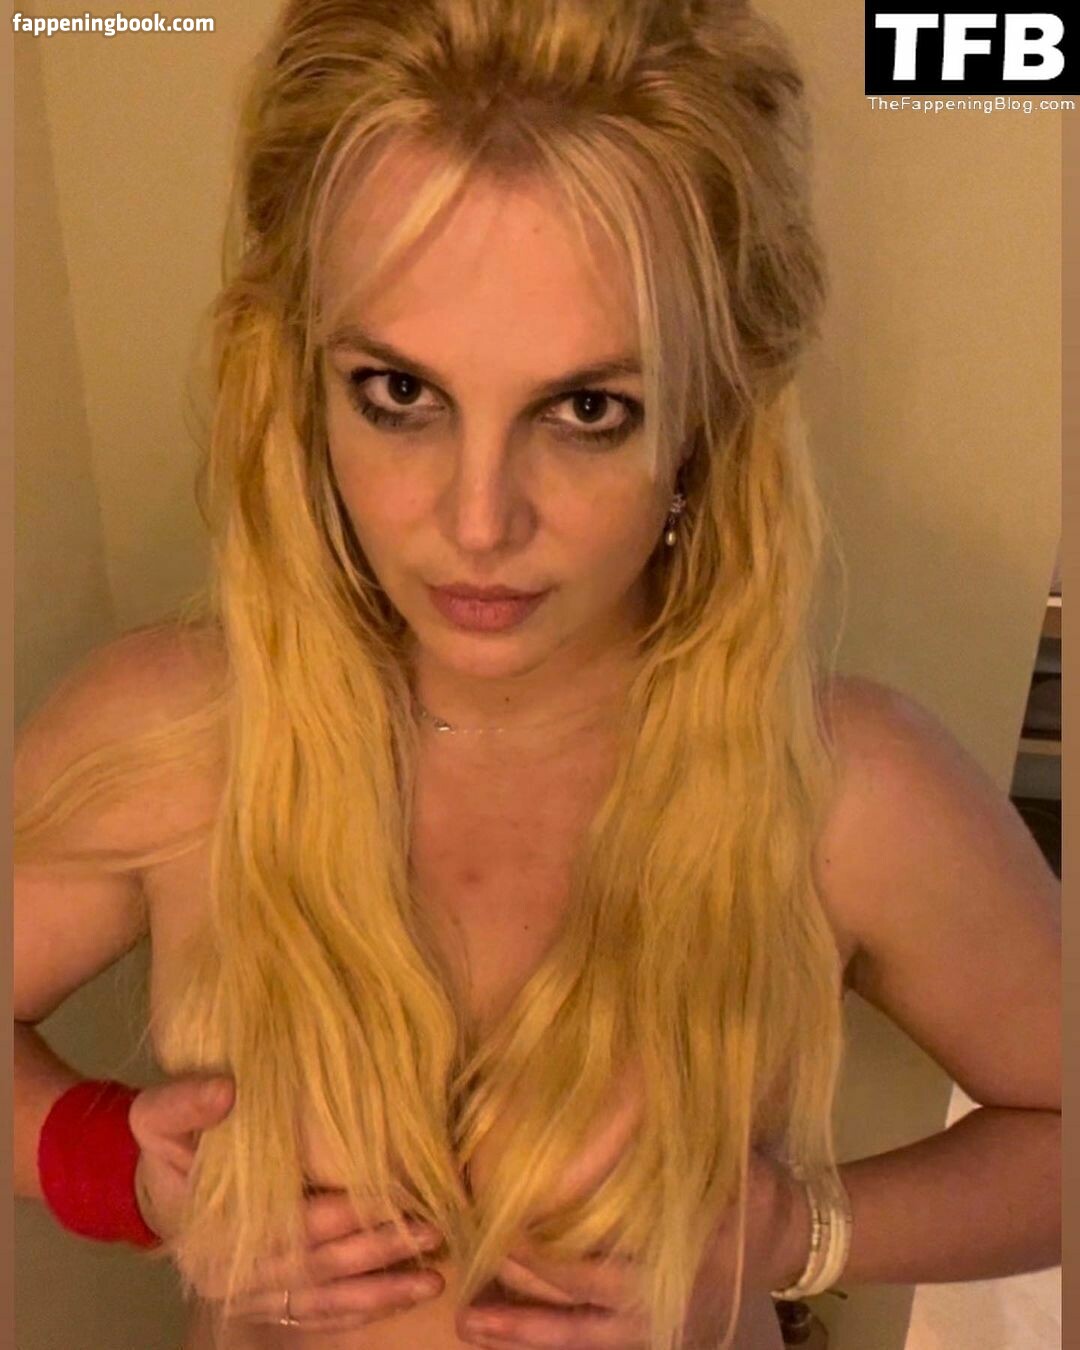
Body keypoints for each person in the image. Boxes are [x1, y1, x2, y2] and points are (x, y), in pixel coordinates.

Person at [13, 1, 1061, 1348]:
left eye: (585, 410)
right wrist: (114, 1166)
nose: (479, 520)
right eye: (401, 394)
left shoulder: (841, 790)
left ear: (703, 422)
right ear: (301, 383)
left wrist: (793, 1231)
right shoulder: (174, 737)